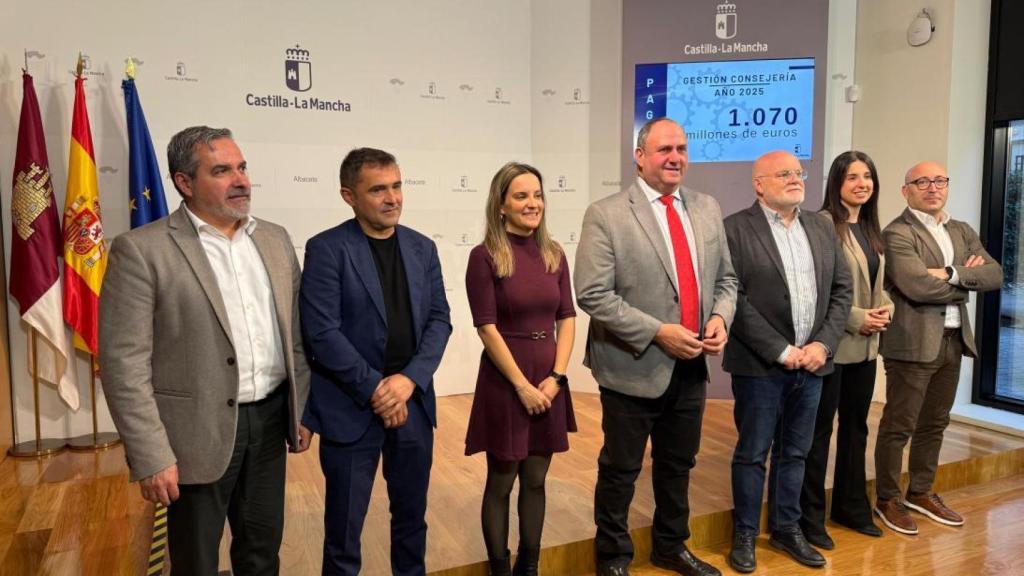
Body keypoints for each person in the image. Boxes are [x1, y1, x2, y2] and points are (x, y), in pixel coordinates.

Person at [100, 126, 311, 575]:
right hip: (193, 436)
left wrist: (301, 409)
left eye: (242, 167)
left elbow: (294, 337)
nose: (241, 180)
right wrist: (151, 454)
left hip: (270, 423)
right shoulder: (141, 250)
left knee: (262, 555)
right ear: (184, 182)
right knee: (195, 563)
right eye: (221, 171)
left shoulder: (274, 239)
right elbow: (123, 366)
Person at [575, 117, 738, 576]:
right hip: (632, 364)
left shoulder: (706, 207)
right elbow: (592, 293)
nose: (675, 157)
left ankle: (671, 546)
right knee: (621, 468)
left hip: (691, 366)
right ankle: (612, 557)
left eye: (682, 149)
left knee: (677, 464)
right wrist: (657, 332)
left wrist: (720, 317)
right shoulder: (606, 213)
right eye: (665, 149)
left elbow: (726, 280)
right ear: (640, 156)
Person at [300, 148, 452, 576]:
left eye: (397, 186)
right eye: (378, 190)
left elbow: (439, 320)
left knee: (412, 522)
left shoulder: (422, 248)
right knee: (343, 533)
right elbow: (322, 333)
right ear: (349, 196)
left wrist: (409, 381)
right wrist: (377, 389)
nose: (393, 198)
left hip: (413, 404)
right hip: (351, 408)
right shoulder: (326, 249)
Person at [723, 150, 852, 573]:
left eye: (799, 173)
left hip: (813, 363)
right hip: (760, 366)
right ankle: (745, 533)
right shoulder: (734, 228)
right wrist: (781, 349)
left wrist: (823, 345)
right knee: (752, 454)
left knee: (795, 453)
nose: (796, 179)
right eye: (784, 174)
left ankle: (786, 528)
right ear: (759, 184)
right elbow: (733, 298)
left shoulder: (821, 225)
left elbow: (841, 290)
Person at [872, 161, 1002, 535]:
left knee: (935, 423)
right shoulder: (897, 232)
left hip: (953, 340)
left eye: (940, 180)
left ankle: (920, 492)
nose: (933, 187)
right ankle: (887, 499)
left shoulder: (961, 230)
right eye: (923, 181)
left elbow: (994, 274)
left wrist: (949, 273)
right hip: (912, 343)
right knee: (899, 425)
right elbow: (916, 287)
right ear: (906, 190)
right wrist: (966, 282)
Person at [464, 162, 577, 576]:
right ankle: (499, 568)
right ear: (501, 205)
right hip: (506, 380)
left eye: (538, 195)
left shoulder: (554, 253)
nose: (533, 204)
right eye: (521, 196)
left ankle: (529, 567)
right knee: (502, 480)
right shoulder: (485, 256)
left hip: (549, 378)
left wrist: (557, 378)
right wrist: (522, 386)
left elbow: (567, 318)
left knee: (536, 478)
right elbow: (486, 328)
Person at [799, 151, 893, 548]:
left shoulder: (871, 228)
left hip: (866, 351)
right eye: (852, 176)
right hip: (833, 347)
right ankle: (808, 517)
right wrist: (857, 318)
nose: (861, 184)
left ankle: (851, 508)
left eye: (867, 176)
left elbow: (878, 285)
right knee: (818, 432)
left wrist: (886, 309)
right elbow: (817, 289)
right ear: (836, 182)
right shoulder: (822, 225)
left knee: (856, 429)